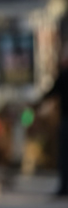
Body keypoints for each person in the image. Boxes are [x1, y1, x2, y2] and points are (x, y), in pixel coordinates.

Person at [39, 44, 68, 196]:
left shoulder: (64, 75)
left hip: (65, 121)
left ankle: (64, 187)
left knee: (64, 156)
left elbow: (50, 94)